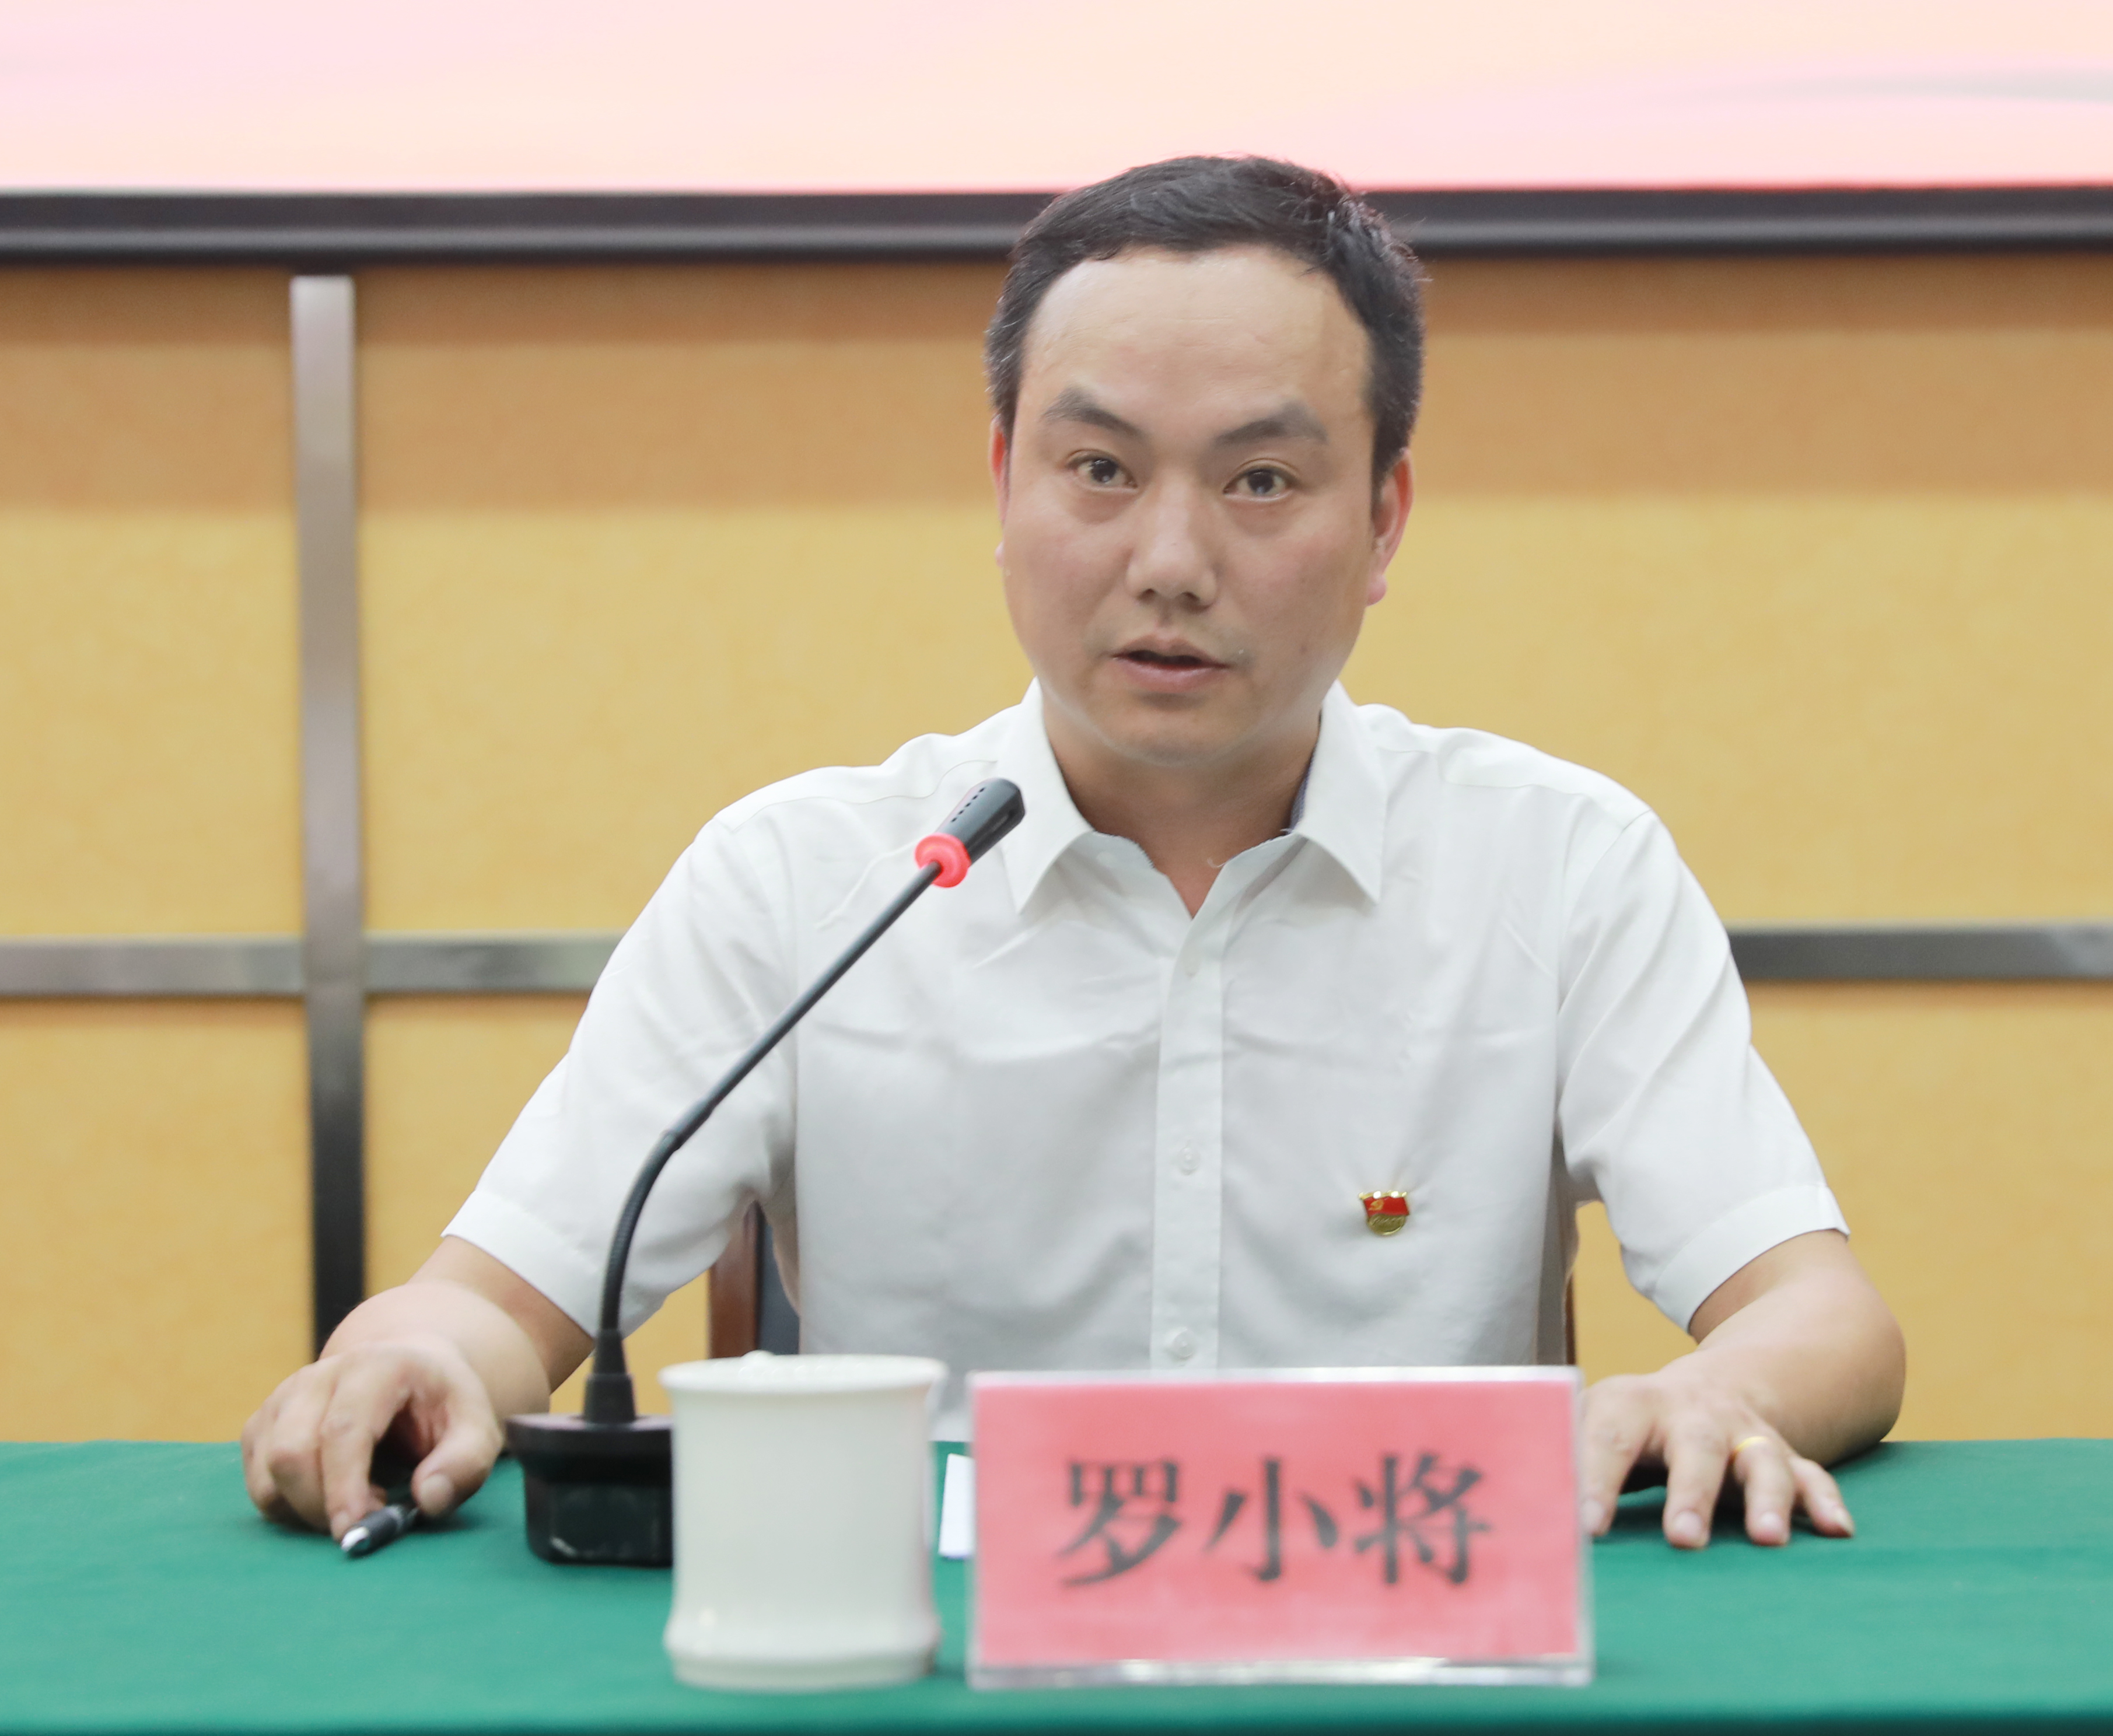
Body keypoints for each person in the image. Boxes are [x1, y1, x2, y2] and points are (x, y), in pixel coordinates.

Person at [243, 155, 1903, 1558]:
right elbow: (493, 1301)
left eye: (1262, 480)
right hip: (931, 1671)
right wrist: (410, 1356)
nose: (1169, 559)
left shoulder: (1559, 867)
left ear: (1385, 520)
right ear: (1004, 482)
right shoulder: (804, 882)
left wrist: (1712, 1393)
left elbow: (1824, 1318)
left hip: (1409, 1658)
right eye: (1100, 470)